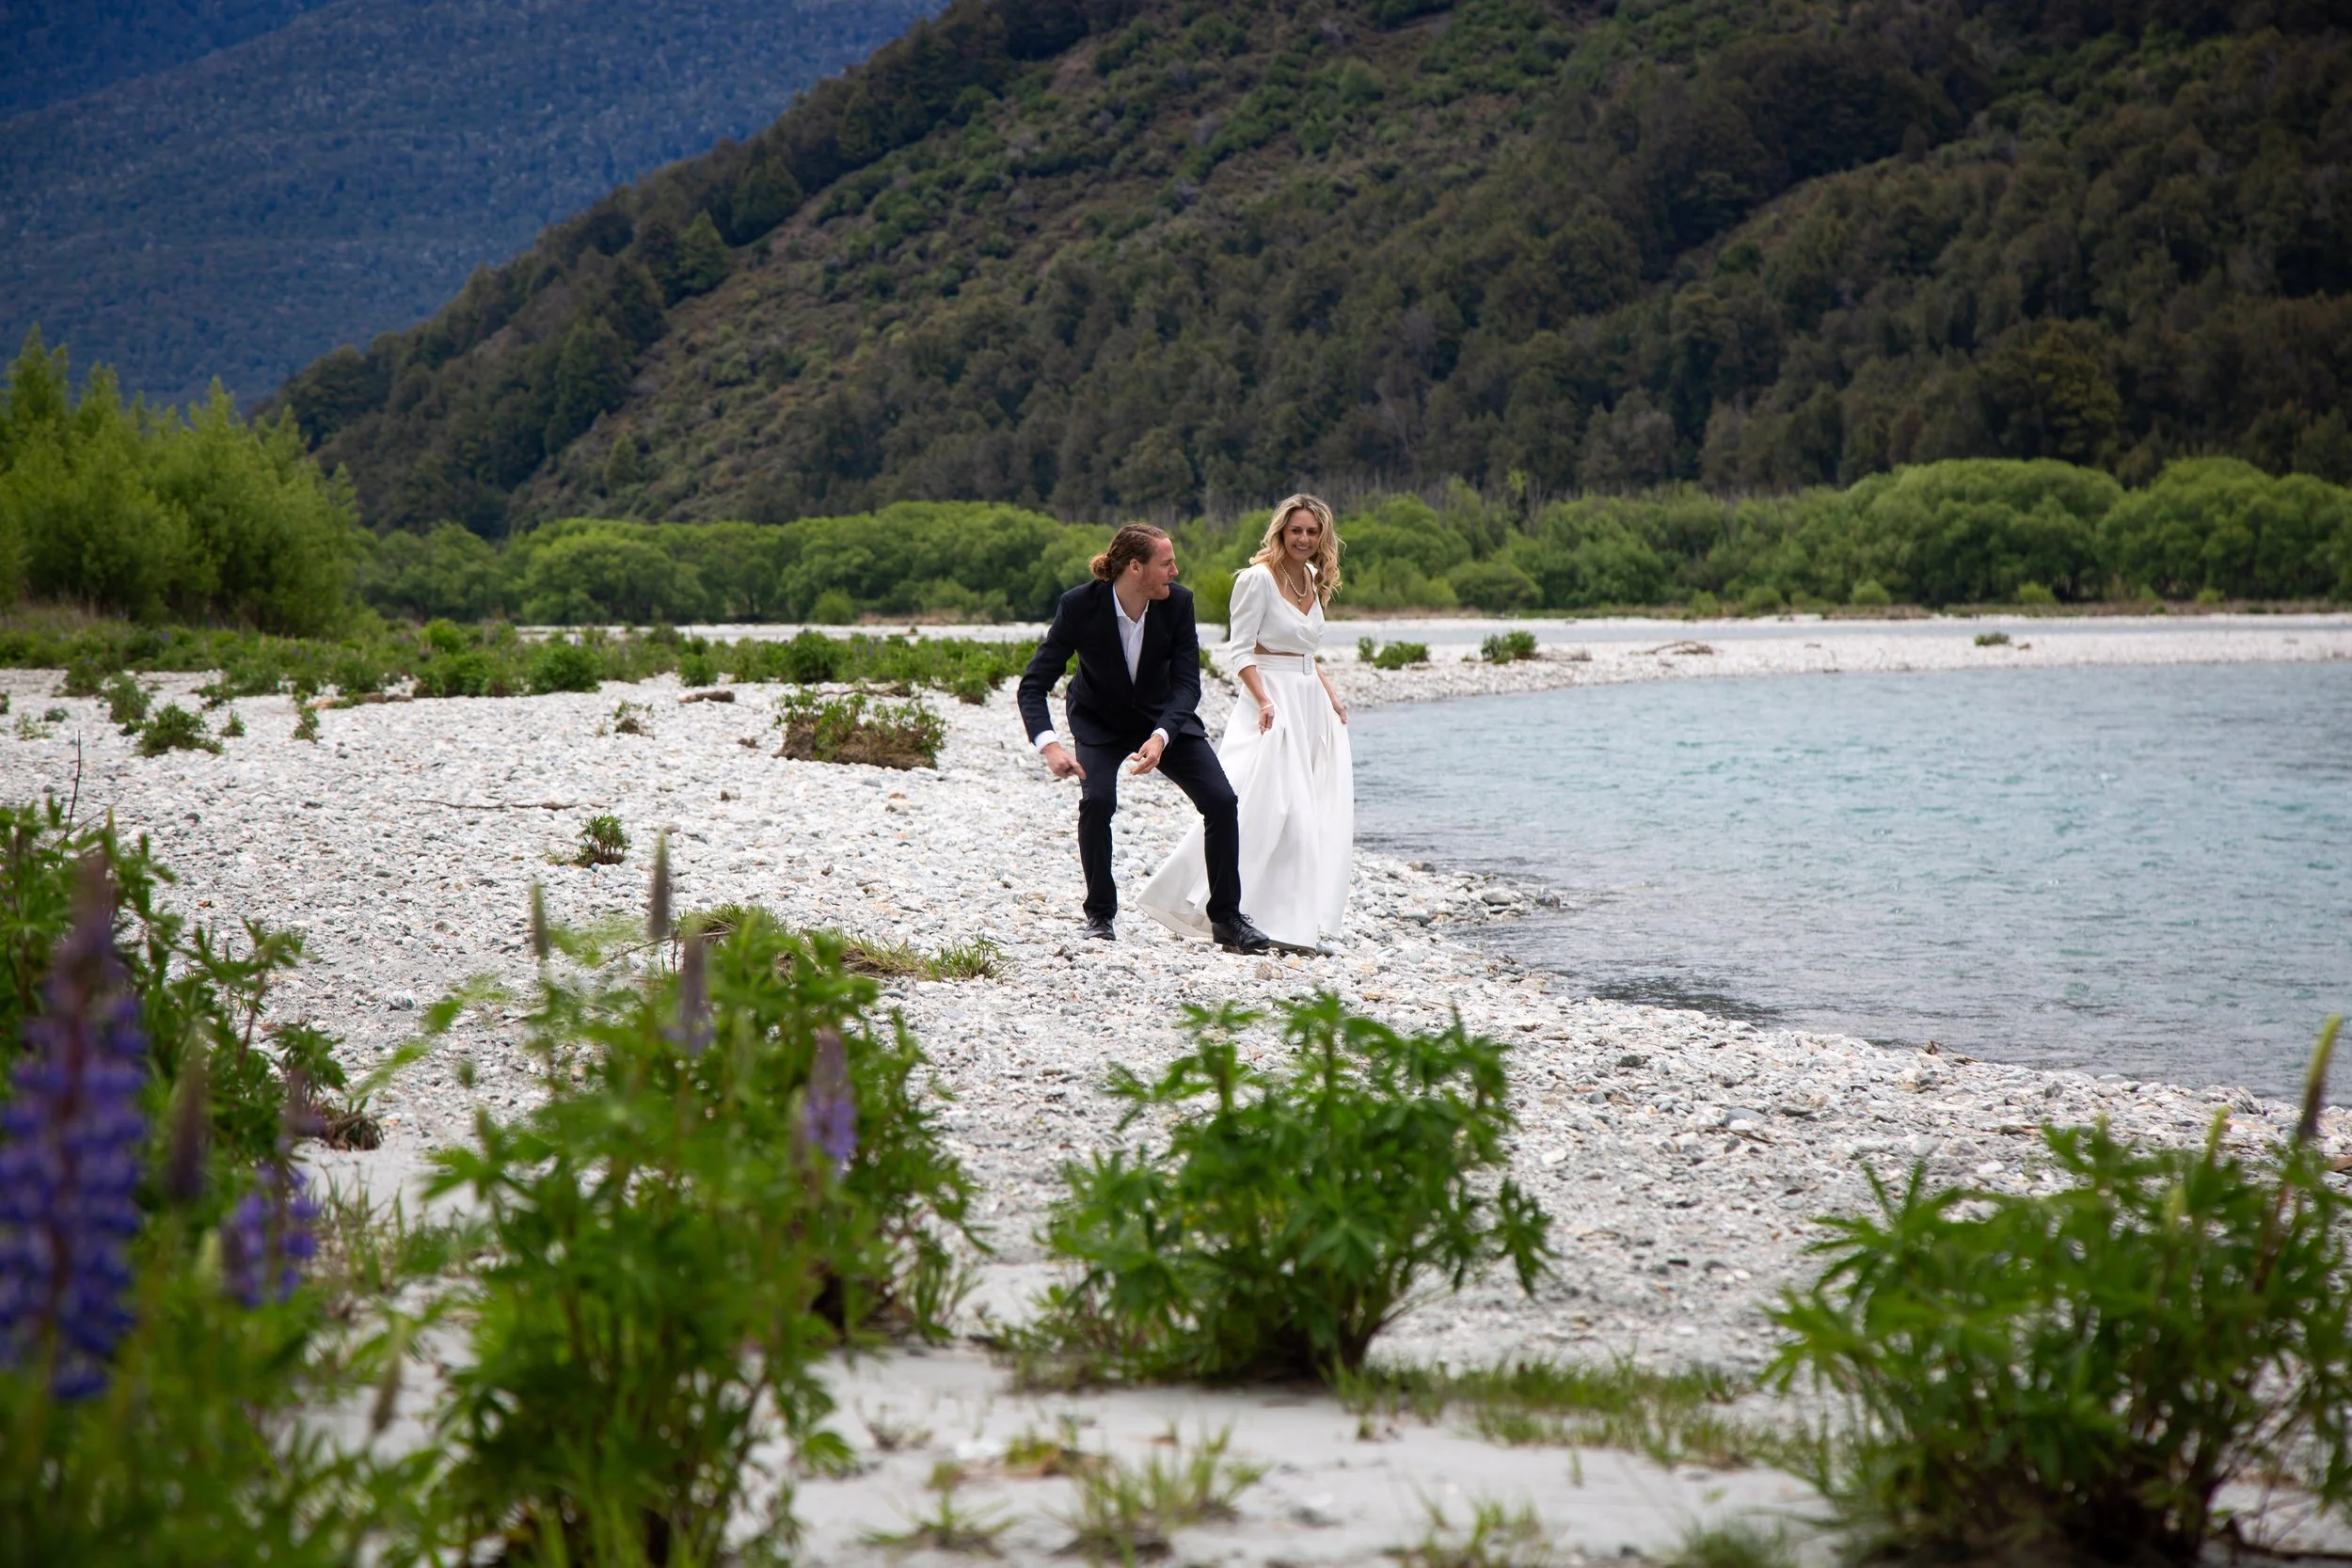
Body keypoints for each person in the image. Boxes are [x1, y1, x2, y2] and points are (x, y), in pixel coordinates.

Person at [1017, 523, 1274, 954]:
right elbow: (1033, 683)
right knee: (1097, 802)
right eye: (1166, 562)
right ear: (1135, 568)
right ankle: (1100, 915)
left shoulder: (1179, 604)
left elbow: (1187, 685)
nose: (1175, 571)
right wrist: (1050, 744)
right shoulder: (1078, 606)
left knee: (1221, 801)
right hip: (1098, 721)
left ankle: (1227, 917)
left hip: (1163, 719)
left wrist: (1160, 736)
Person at [1138, 494, 1352, 952]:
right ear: (1280, 531)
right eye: (1296, 530)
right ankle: (1207, 903)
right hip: (1270, 703)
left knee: (1306, 814)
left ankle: (1290, 925)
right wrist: (1264, 700)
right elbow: (1240, 651)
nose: (1304, 538)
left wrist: (1330, 693)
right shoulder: (1257, 579)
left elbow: (1306, 652)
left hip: (1309, 701)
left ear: (1322, 537)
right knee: (1270, 810)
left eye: (1312, 531)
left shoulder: (1313, 578)